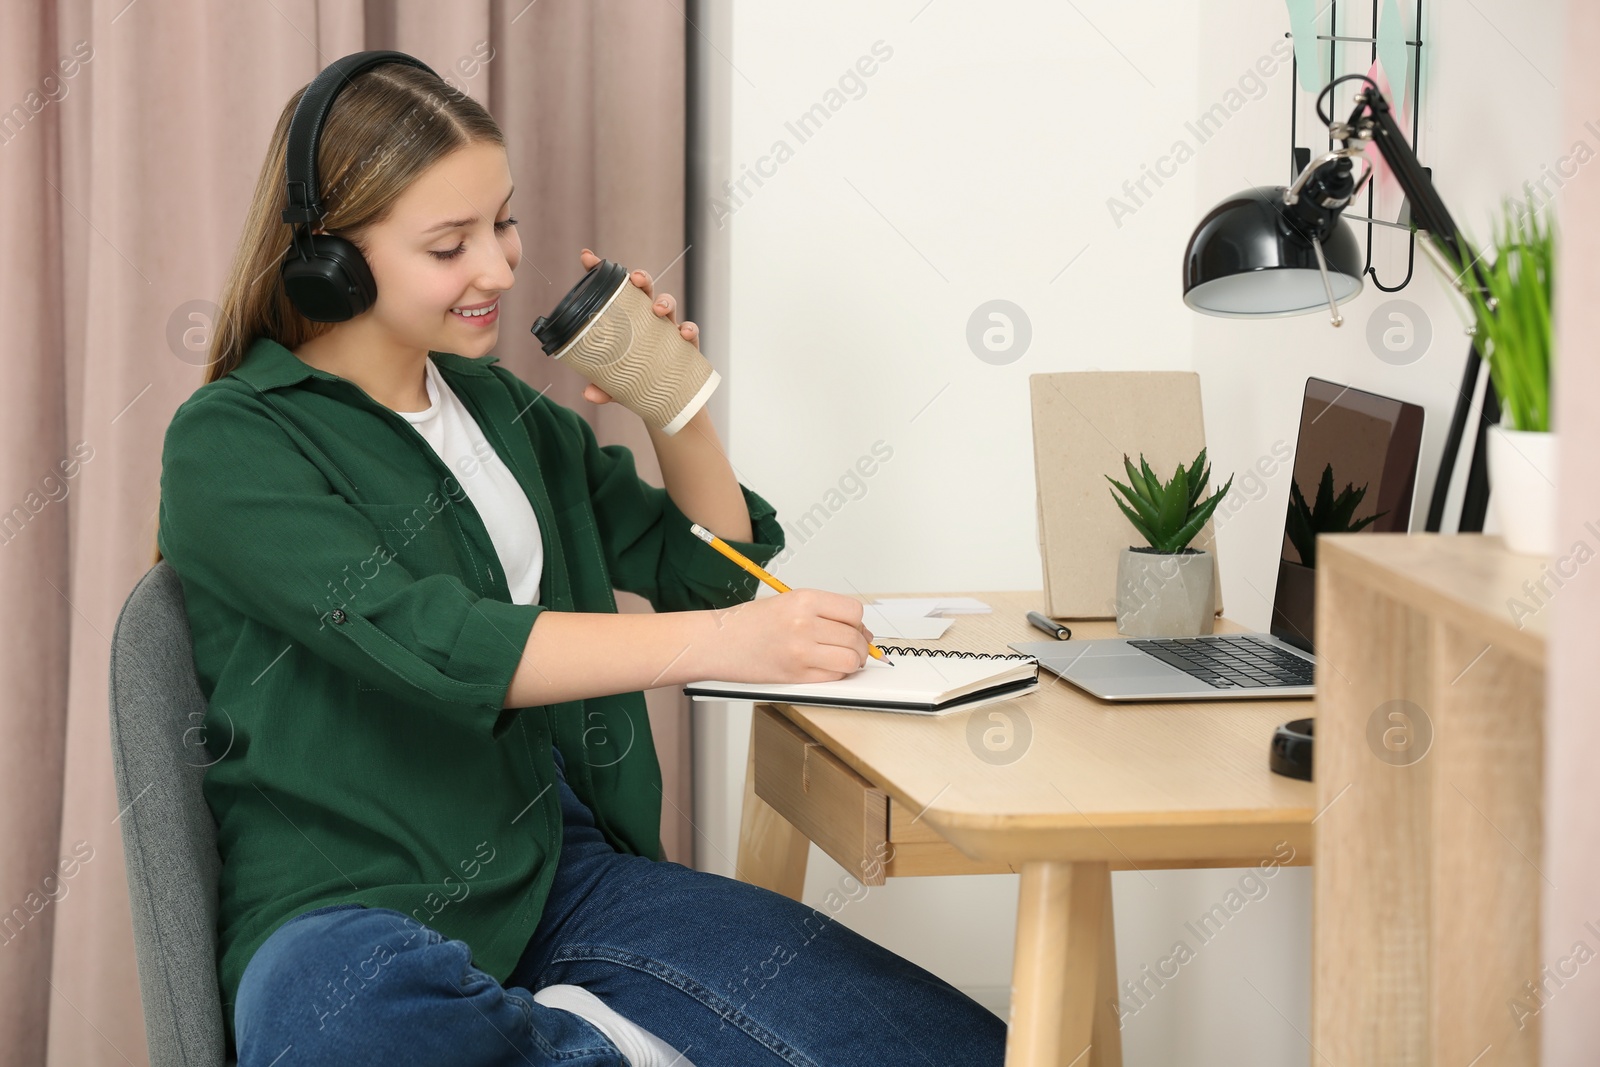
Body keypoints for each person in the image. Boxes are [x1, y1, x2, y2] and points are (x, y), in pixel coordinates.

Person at [155, 56, 1006, 1066]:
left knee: (952, 1045)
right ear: (329, 259)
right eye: (449, 244)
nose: (502, 268)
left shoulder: (510, 418)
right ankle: (604, 1043)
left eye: (502, 223)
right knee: (343, 1022)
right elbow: (432, 638)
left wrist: (673, 408)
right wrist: (729, 642)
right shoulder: (231, 439)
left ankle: (567, 1035)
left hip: (563, 868)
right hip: (350, 900)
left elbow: (716, 575)